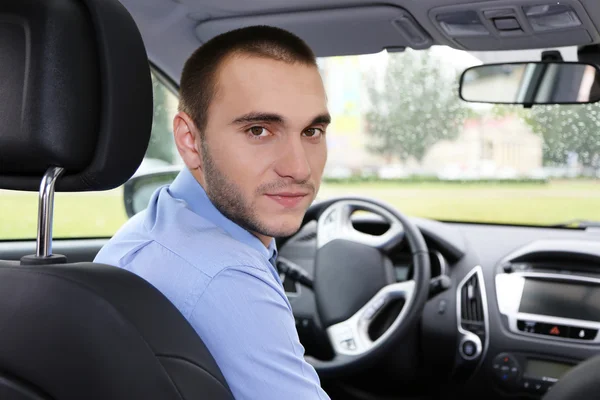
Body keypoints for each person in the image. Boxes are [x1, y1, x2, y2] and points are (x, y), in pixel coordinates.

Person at [94, 25, 331, 399]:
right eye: (258, 130)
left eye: (312, 131)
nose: (299, 169)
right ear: (190, 140)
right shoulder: (226, 275)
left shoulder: (153, 225)